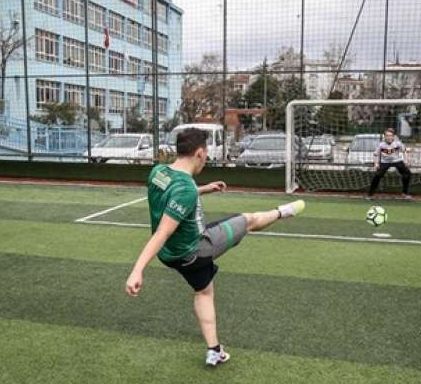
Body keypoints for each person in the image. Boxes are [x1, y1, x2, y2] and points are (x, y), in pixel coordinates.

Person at [125, 128, 305, 367]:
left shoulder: (159, 172)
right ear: (199, 153)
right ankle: (283, 212)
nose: (206, 158)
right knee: (248, 220)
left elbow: (173, 194)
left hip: (171, 255)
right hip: (197, 248)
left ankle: (214, 350)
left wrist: (203, 189)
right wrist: (138, 269)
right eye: (206, 153)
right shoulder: (185, 189)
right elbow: (163, 230)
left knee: (204, 291)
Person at [367, 127, 413, 200]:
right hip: (385, 162)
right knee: (377, 176)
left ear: (393, 136)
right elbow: (375, 155)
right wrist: (376, 164)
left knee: (407, 174)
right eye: (387, 136)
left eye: (390, 135)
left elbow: (404, 151)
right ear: (384, 137)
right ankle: (370, 194)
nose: (389, 137)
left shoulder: (398, 143)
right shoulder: (381, 145)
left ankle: (405, 193)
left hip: (397, 160)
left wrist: (406, 161)